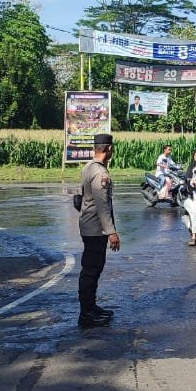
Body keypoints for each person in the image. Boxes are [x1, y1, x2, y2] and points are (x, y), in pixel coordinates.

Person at [78, 133, 119, 327]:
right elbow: (102, 205)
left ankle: (91, 307)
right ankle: (86, 314)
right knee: (91, 270)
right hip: (95, 228)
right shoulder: (100, 173)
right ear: (109, 149)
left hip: (89, 225)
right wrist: (111, 232)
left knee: (92, 268)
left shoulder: (88, 167)